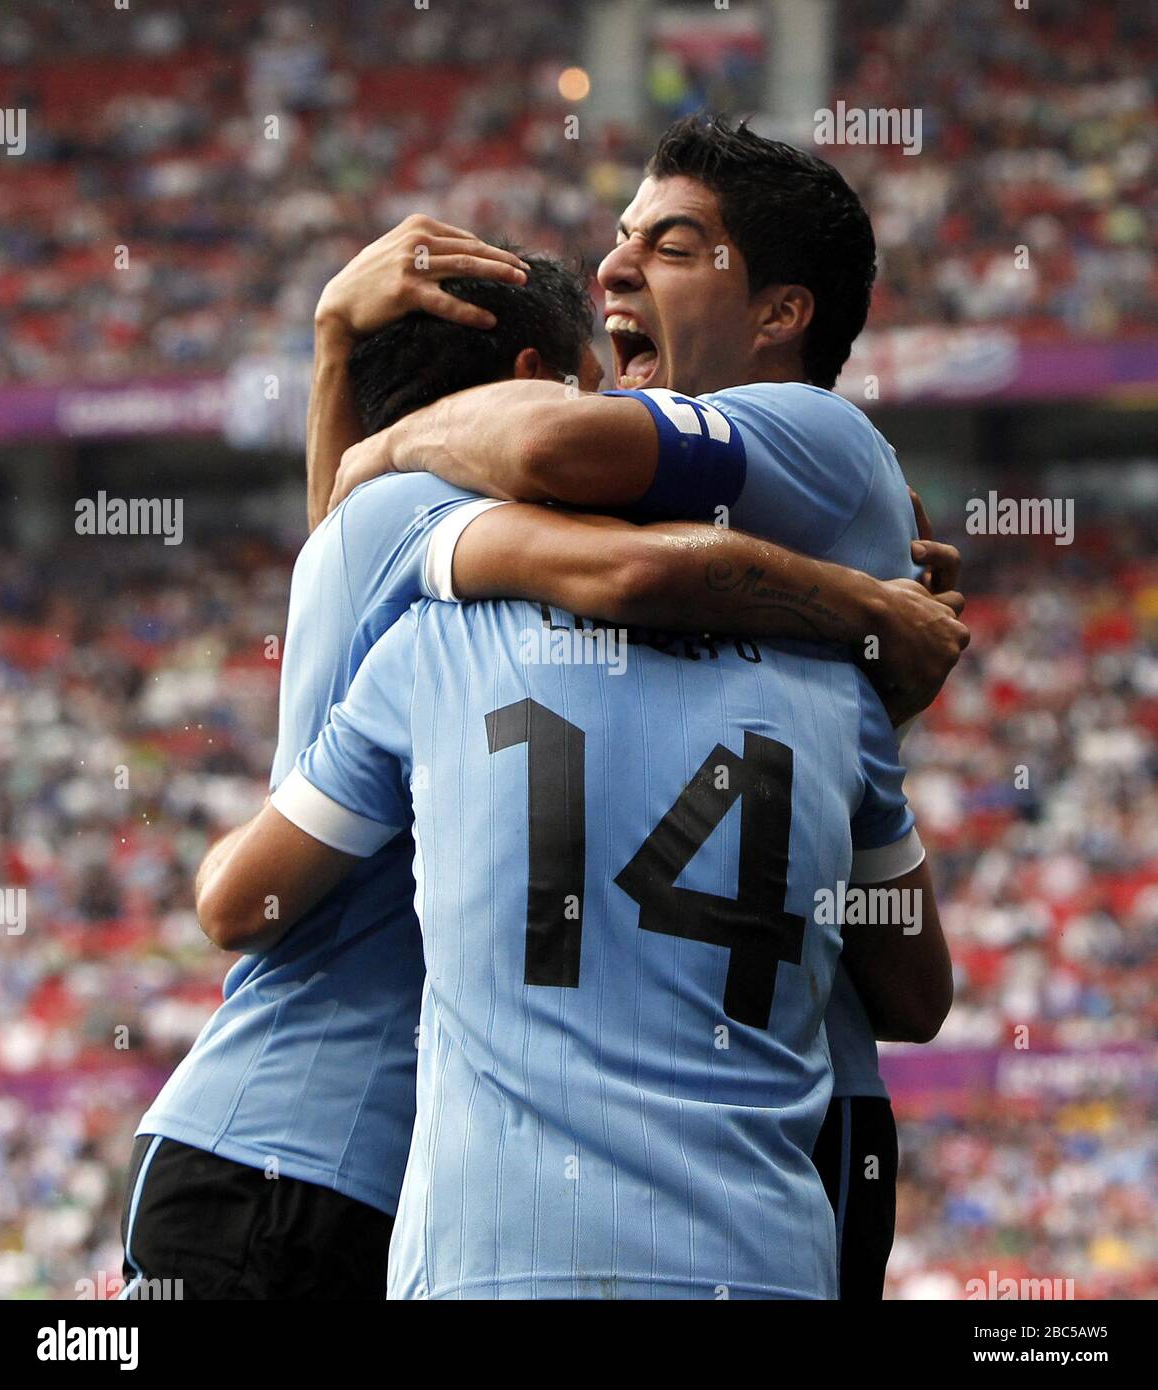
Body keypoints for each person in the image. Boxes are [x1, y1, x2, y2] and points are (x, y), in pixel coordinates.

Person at [121, 231, 964, 1299]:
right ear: (531, 393)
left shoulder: (408, 584)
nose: (613, 415)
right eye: (591, 390)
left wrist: (337, 348)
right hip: (295, 1156)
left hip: (382, 1177)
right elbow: (624, 570)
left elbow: (360, 527)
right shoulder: (445, 554)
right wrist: (860, 609)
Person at [328, 114, 954, 1298]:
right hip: (727, 1128)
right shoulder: (674, 529)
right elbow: (356, 596)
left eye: (670, 245)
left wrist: (393, 447)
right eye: (620, 238)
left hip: (780, 1127)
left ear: (779, 314)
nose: (613, 267)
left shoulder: (817, 432)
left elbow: (563, 444)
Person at [195, 587, 952, 1299]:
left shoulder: (439, 642)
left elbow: (238, 908)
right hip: (762, 1251)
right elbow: (916, 999)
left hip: (495, 1256)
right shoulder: (838, 692)